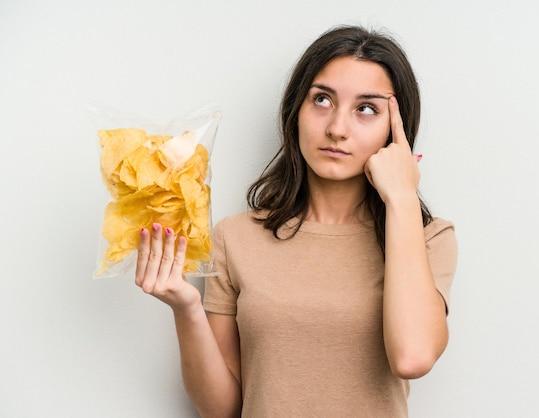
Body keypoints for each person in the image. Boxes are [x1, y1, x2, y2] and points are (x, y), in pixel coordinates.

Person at [135, 25, 457, 417]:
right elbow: (223, 409)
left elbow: (413, 358)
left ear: (397, 130)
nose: (337, 128)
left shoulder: (428, 239)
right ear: (295, 112)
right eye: (322, 99)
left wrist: (403, 197)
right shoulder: (236, 237)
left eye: (367, 109)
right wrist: (186, 309)